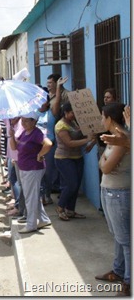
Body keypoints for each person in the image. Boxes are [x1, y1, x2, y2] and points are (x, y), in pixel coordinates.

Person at [95, 103, 130, 296]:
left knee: (125, 239)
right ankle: (118, 270)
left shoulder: (122, 138)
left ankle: (128, 282)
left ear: (110, 119)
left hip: (119, 193)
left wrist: (103, 162)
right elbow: (104, 163)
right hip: (109, 190)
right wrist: (104, 162)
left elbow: (106, 167)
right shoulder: (113, 139)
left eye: (103, 117)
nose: (101, 121)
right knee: (117, 235)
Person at [9, 111, 52, 233]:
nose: (24, 122)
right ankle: (43, 219)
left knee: (30, 197)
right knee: (32, 196)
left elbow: (48, 144)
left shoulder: (36, 133)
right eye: (23, 120)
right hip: (25, 168)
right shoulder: (24, 132)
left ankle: (31, 223)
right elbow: (14, 147)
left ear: (34, 121)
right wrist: (11, 135)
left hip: (33, 169)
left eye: (27, 120)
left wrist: (40, 154)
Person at [54, 103, 95, 221]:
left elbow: (79, 135)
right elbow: (69, 143)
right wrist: (87, 140)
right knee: (71, 184)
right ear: (66, 112)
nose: (74, 115)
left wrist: (91, 139)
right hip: (64, 158)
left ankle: (70, 210)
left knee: (76, 186)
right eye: (72, 113)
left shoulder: (73, 122)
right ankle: (60, 207)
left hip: (77, 157)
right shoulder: (60, 125)